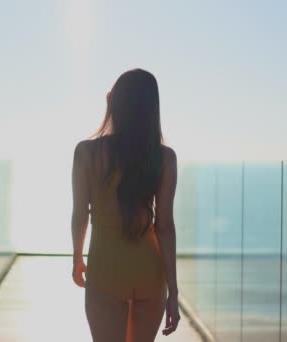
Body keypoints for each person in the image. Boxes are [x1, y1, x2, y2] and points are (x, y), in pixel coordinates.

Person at [71, 68, 180, 341]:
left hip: (106, 269)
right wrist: (174, 293)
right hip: (149, 275)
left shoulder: (87, 152)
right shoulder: (164, 158)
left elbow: (80, 214)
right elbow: (164, 227)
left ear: (114, 103)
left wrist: (77, 257)